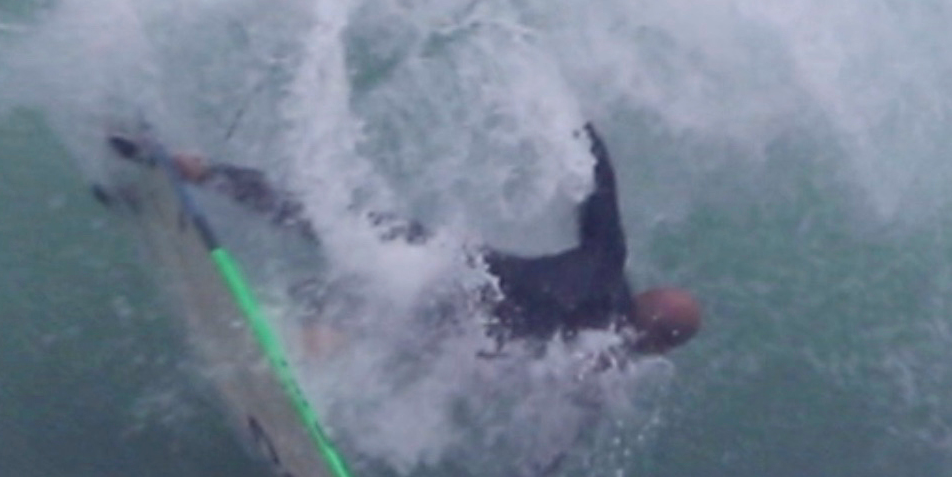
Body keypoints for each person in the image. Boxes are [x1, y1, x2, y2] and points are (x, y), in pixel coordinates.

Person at [116, 125, 705, 357]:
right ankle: (301, 345)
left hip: (447, 268)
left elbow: (601, 182)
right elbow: (601, 185)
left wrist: (577, 125)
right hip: (449, 284)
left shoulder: (608, 274)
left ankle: (196, 170)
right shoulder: (603, 346)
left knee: (319, 224)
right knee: (339, 267)